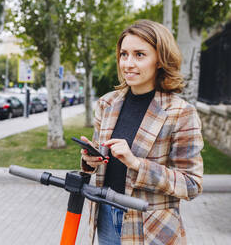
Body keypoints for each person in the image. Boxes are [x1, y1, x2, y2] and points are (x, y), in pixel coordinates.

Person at [80, 19, 204, 245]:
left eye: (139, 55)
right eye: (124, 54)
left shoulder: (181, 113)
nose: (128, 63)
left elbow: (192, 184)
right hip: (105, 216)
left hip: (152, 227)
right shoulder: (107, 104)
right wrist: (91, 160)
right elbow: (102, 160)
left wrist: (137, 164)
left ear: (159, 59)